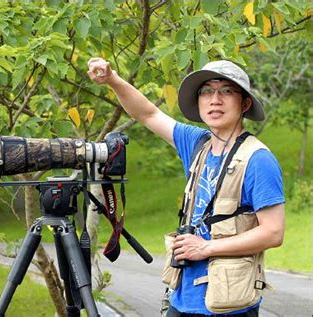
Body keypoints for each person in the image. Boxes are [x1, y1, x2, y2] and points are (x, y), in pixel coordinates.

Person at [87, 58, 285, 317]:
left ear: (244, 103)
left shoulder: (258, 160)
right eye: (206, 91)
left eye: (226, 91)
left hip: (229, 306)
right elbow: (148, 113)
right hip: (181, 299)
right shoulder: (197, 144)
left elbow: (273, 233)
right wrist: (112, 79)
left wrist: (205, 248)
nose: (215, 99)